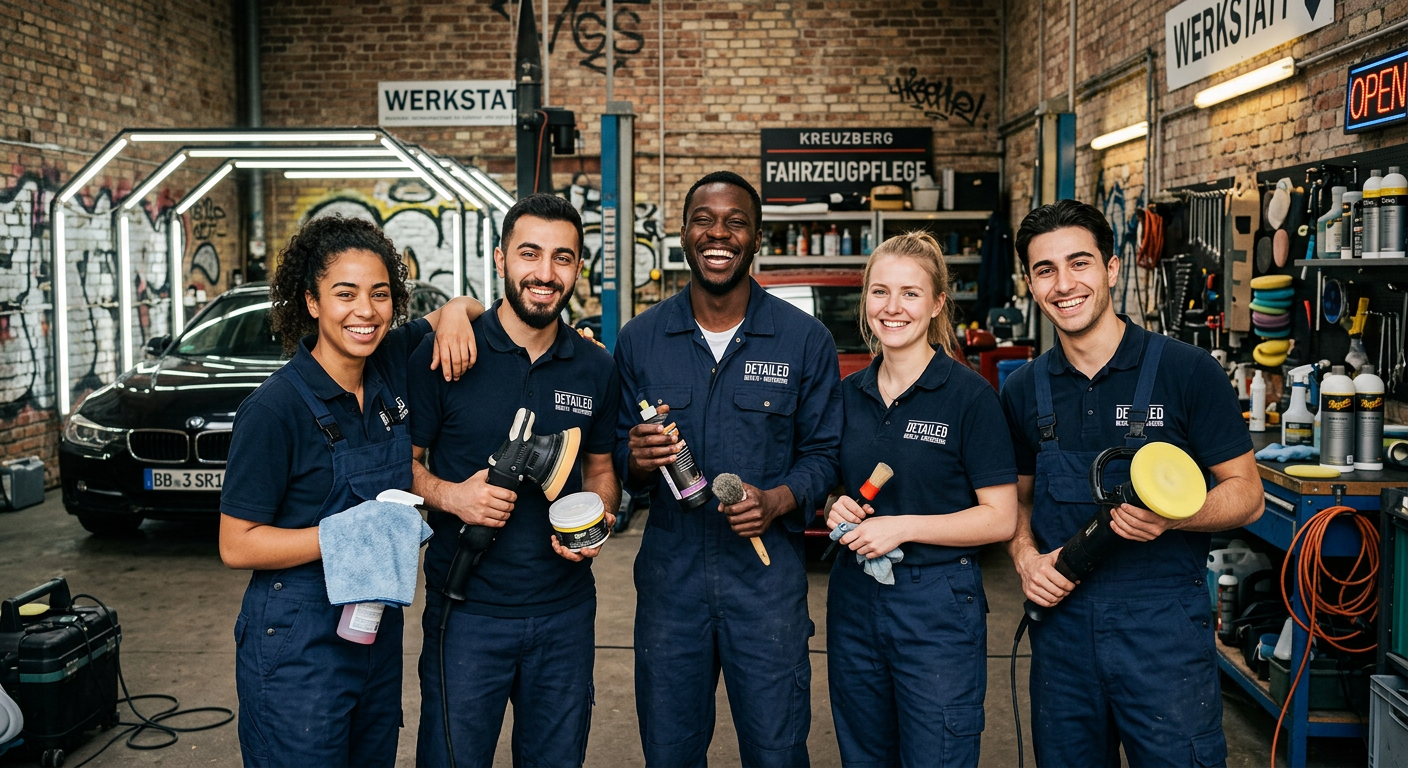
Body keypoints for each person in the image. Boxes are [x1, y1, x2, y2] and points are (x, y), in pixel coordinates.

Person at [999, 199, 1263, 767]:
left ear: (1112, 269)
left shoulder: (1188, 371)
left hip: (1162, 637)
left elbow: (1247, 492)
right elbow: (1015, 499)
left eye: (1080, 263)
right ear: (1029, 283)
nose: (1064, 284)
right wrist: (1025, 558)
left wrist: (1176, 516)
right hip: (1063, 633)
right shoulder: (1022, 389)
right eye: (1045, 270)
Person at [219, 215, 483, 767]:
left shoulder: (388, 361)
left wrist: (458, 311)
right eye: (345, 294)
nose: (365, 311)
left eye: (380, 294)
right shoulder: (274, 410)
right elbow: (236, 545)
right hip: (298, 640)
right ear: (312, 303)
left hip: (372, 632)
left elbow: (466, 309)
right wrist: (347, 534)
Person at [617, 171, 843, 767]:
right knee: (670, 751)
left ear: (757, 237)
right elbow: (615, 460)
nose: (719, 234)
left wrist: (779, 499)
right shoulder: (641, 340)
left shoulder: (803, 340)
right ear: (684, 233)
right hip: (671, 585)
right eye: (704, 220)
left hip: (765, 589)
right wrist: (635, 462)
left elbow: (824, 457)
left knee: (775, 751)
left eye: (735, 222)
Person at [409, 194, 621, 768]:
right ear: (501, 258)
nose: (545, 273)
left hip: (565, 613)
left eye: (562, 258)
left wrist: (599, 519)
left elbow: (602, 471)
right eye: (530, 254)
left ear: (578, 268)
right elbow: (400, 464)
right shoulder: (451, 350)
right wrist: (454, 496)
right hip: (466, 612)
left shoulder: (596, 367)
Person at [826, 232, 1018, 767]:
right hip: (854, 599)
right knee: (864, 753)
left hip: (936, 604)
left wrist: (903, 526)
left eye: (910, 294)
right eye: (880, 292)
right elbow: (833, 487)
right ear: (865, 299)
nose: (893, 308)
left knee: (938, 753)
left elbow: (1000, 518)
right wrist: (833, 506)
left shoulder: (969, 396)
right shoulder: (846, 396)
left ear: (936, 305)